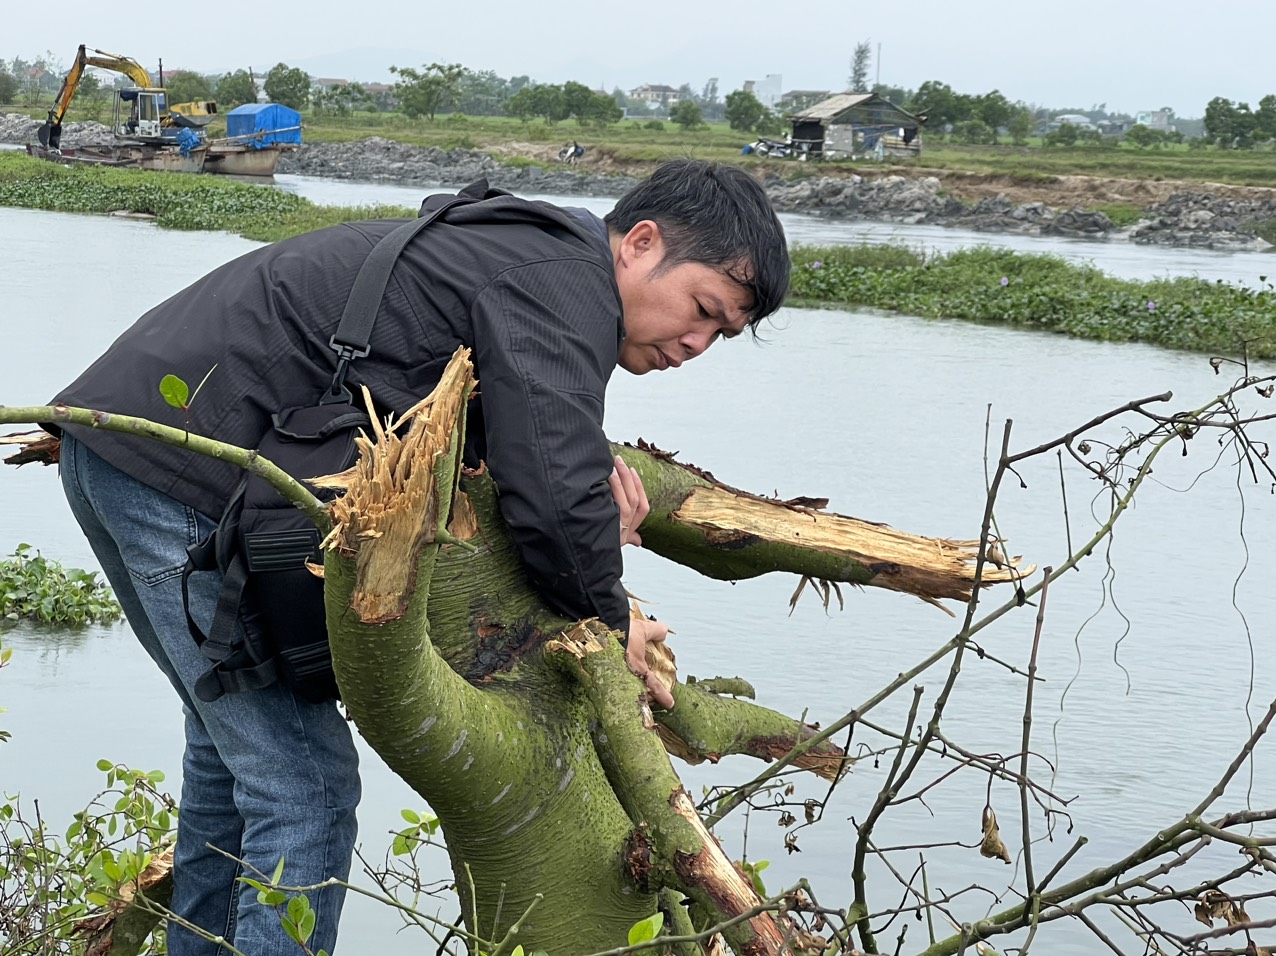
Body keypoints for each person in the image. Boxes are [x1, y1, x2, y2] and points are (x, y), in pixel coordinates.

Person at [51, 158, 790, 954]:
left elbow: (511, 441)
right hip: (172, 477)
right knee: (307, 788)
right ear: (642, 243)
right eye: (702, 309)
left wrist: (577, 474)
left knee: (233, 768)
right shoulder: (567, 281)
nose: (698, 342)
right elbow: (551, 495)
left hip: (123, 449)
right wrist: (611, 624)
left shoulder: (531, 257)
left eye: (722, 333)